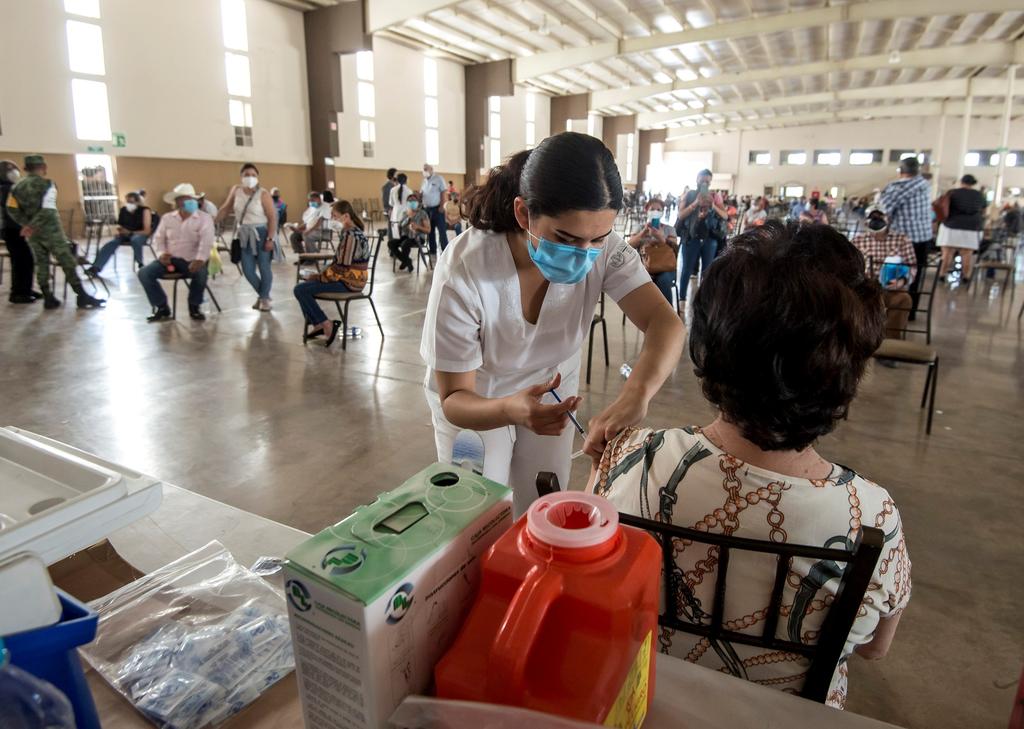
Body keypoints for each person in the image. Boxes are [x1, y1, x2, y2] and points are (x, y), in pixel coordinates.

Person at [591, 221, 910, 710]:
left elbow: (592, 583)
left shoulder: (630, 456)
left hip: (643, 704)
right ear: (848, 373)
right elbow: (874, 647)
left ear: (709, 350)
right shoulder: (871, 516)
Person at [421, 132, 685, 515]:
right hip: (479, 398)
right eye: (566, 238)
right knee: (475, 517)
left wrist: (635, 395)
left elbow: (665, 323)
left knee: (544, 505)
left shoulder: (604, 248)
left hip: (552, 394)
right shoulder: (466, 270)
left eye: (597, 239)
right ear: (524, 213)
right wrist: (511, 409)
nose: (583, 254)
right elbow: (454, 400)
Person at [5, 154, 104, 309]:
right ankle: (81, 296)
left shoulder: (16, 187)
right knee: (68, 262)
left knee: (42, 264)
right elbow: (48, 211)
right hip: (52, 232)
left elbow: (11, 209)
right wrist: (32, 225)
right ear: (44, 168)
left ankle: (48, 297)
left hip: (34, 235)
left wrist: (26, 224)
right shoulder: (49, 184)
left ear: (25, 169)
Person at [293, 199, 370, 348]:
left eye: (335, 216)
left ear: (346, 216)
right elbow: (339, 264)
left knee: (300, 289)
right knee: (304, 287)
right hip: (347, 279)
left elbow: (342, 267)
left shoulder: (351, 236)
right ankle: (320, 324)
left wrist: (319, 277)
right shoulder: (350, 232)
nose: (332, 219)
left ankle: (325, 324)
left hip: (349, 282)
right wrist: (320, 275)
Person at [137, 183, 213, 322]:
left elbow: (206, 242)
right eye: (182, 198)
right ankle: (162, 307)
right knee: (144, 273)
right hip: (169, 259)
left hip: (192, 259)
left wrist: (200, 259)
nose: (186, 201)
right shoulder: (167, 218)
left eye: (189, 198)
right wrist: (162, 254)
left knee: (201, 273)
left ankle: (194, 306)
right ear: (177, 201)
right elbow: (158, 239)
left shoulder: (204, 219)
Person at [216, 163, 278, 311]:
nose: (250, 178)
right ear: (241, 177)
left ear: (258, 177)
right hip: (243, 233)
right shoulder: (236, 190)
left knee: (264, 267)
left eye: (253, 175)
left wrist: (270, 238)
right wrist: (213, 220)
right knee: (248, 270)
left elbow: (272, 217)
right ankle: (264, 296)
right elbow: (226, 207)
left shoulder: (263, 193)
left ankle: (263, 299)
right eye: (246, 175)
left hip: (261, 233)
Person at [851, 209, 917, 338]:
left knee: (904, 299)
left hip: (891, 289)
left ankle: (890, 343)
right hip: (865, 288)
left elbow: (912, 266)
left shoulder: (902, 240)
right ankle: (859, 340)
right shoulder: (857, 241)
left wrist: (902, 280)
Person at [880, 157, 932, 314]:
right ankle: (911, 311)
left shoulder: (897, 187)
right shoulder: (924, 184)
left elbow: (884, 208)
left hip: (903, 239)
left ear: (901, 171)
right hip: (923, 237)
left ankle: (893, 309)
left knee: (894, 273)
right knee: (916, 274)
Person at [675, 169, 727, 306]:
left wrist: (713, 205)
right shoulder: (689, 194)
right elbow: (680, 215)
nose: (705, 182)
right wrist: (695, 204)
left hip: (710, 238)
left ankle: (703, 300)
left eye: (707, 180)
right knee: (686, 269)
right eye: (702, 179)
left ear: (711, 181)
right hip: (691, 237)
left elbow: (725, 215)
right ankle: (682, 300)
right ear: (697, 179)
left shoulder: (715, 196)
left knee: (707, 270)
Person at [0, 160, 41, 304]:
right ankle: (19, 293)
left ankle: (24, 289)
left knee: (24, 260)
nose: (14, 172)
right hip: (13, 229)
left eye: (14, 169)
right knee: (21, 261)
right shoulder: (6, 189)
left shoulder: (11, 188)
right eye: (9, 170)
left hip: (15, 229)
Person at [937, 175, 986, 284]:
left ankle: (942, 274)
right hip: (972, 227)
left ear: (961, 182)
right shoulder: (979, 195)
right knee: (967, 254)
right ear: (973, 183)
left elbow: (943, 207)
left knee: (947, 253)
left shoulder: (952, 192)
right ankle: (966, 276)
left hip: (951, 226)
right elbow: (983, 210)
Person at [88, 192, 152, 274]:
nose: (129, 204)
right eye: (127, 202)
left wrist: (131, 232)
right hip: (125, 235)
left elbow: (147, 231)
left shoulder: (145, 210)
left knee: (135, 240)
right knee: (110, 244)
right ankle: (96, 267)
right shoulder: (124, 210)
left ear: (137, 202)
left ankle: (140, 262)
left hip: (139, 234)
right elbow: (120, 225)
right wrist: (121, 231)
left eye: (131, 202)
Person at [628, 199, 678, 305]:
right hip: (645, 266)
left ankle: (666, 315)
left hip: (666, 266)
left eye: (659, 209)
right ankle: (647, 314)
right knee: (642, 280)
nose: (655, 211)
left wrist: (661, 238)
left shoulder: (669, 229)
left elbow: (675, 249)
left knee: (663, 280)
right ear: (647, 210)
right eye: (652, 209)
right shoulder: (640, 228)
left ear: (662, 212)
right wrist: (643, 232)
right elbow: (629, 246)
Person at [391, 192, 431, 272]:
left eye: (413, 200)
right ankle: (407, 261)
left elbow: (428, 230)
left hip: (418, 238)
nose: (411, 202)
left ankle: (405, 262)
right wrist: (403, 224)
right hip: (405, 236)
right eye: (409, 201)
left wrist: (417, 227)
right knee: (391, 243)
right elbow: (400, 225)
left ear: (417, 202)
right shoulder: (405, 213)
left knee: (405, 244)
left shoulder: (422, 213)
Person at [420, 163, 448, 254]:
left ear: (431, 169)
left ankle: (445, 250)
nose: (425, 171)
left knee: (441, 230)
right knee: (430, 230)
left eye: (426, 169)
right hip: (427, 209)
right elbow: (423, 193)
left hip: (437, 209)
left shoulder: (439, 178)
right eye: (424, 169)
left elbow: (444, 192)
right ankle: (432, 250)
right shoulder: (424, 181)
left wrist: (442, 206)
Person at [388, 173, 413, 239]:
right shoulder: (409, 191)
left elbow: (391, 203)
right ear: (406, 180)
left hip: (395, 215)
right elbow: (411, 205)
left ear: (397, 180)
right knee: (404, 236)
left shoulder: (393, 190)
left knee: (396, 237)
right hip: (405, 215)